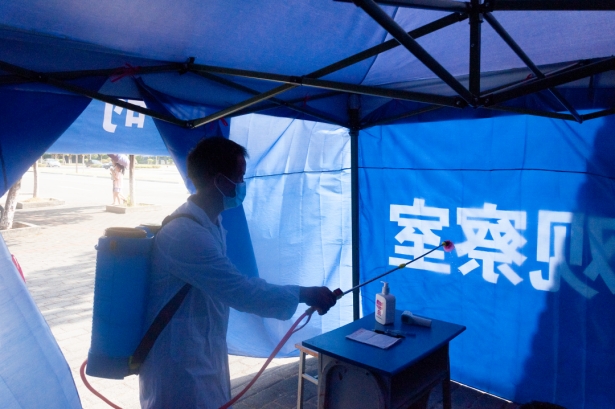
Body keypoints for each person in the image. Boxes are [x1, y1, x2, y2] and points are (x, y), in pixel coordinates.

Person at [139, 137, 337, 409]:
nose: (243, 184)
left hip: (200, 353)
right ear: (219, 181)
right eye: (240, 177)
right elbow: (242, 292)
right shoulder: (185, 234)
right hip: (177, 366)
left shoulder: (209, 224)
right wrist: (305, 294)